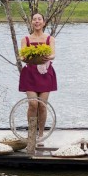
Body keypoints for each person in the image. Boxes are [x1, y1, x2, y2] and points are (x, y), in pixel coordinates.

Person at [18, 13, 57, 146]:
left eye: (39, 19)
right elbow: (22, 56)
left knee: (42, 105)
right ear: (31, 23)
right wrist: (26, 58)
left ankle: (40, 135)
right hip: (30, 74)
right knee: (33, 104)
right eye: (34, 19)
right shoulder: (26, 39)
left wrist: (49, 57)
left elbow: (53, 54)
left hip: (45, 73)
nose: (37, 21)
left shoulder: (49, 39)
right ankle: (32, 133)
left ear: (44, 22)